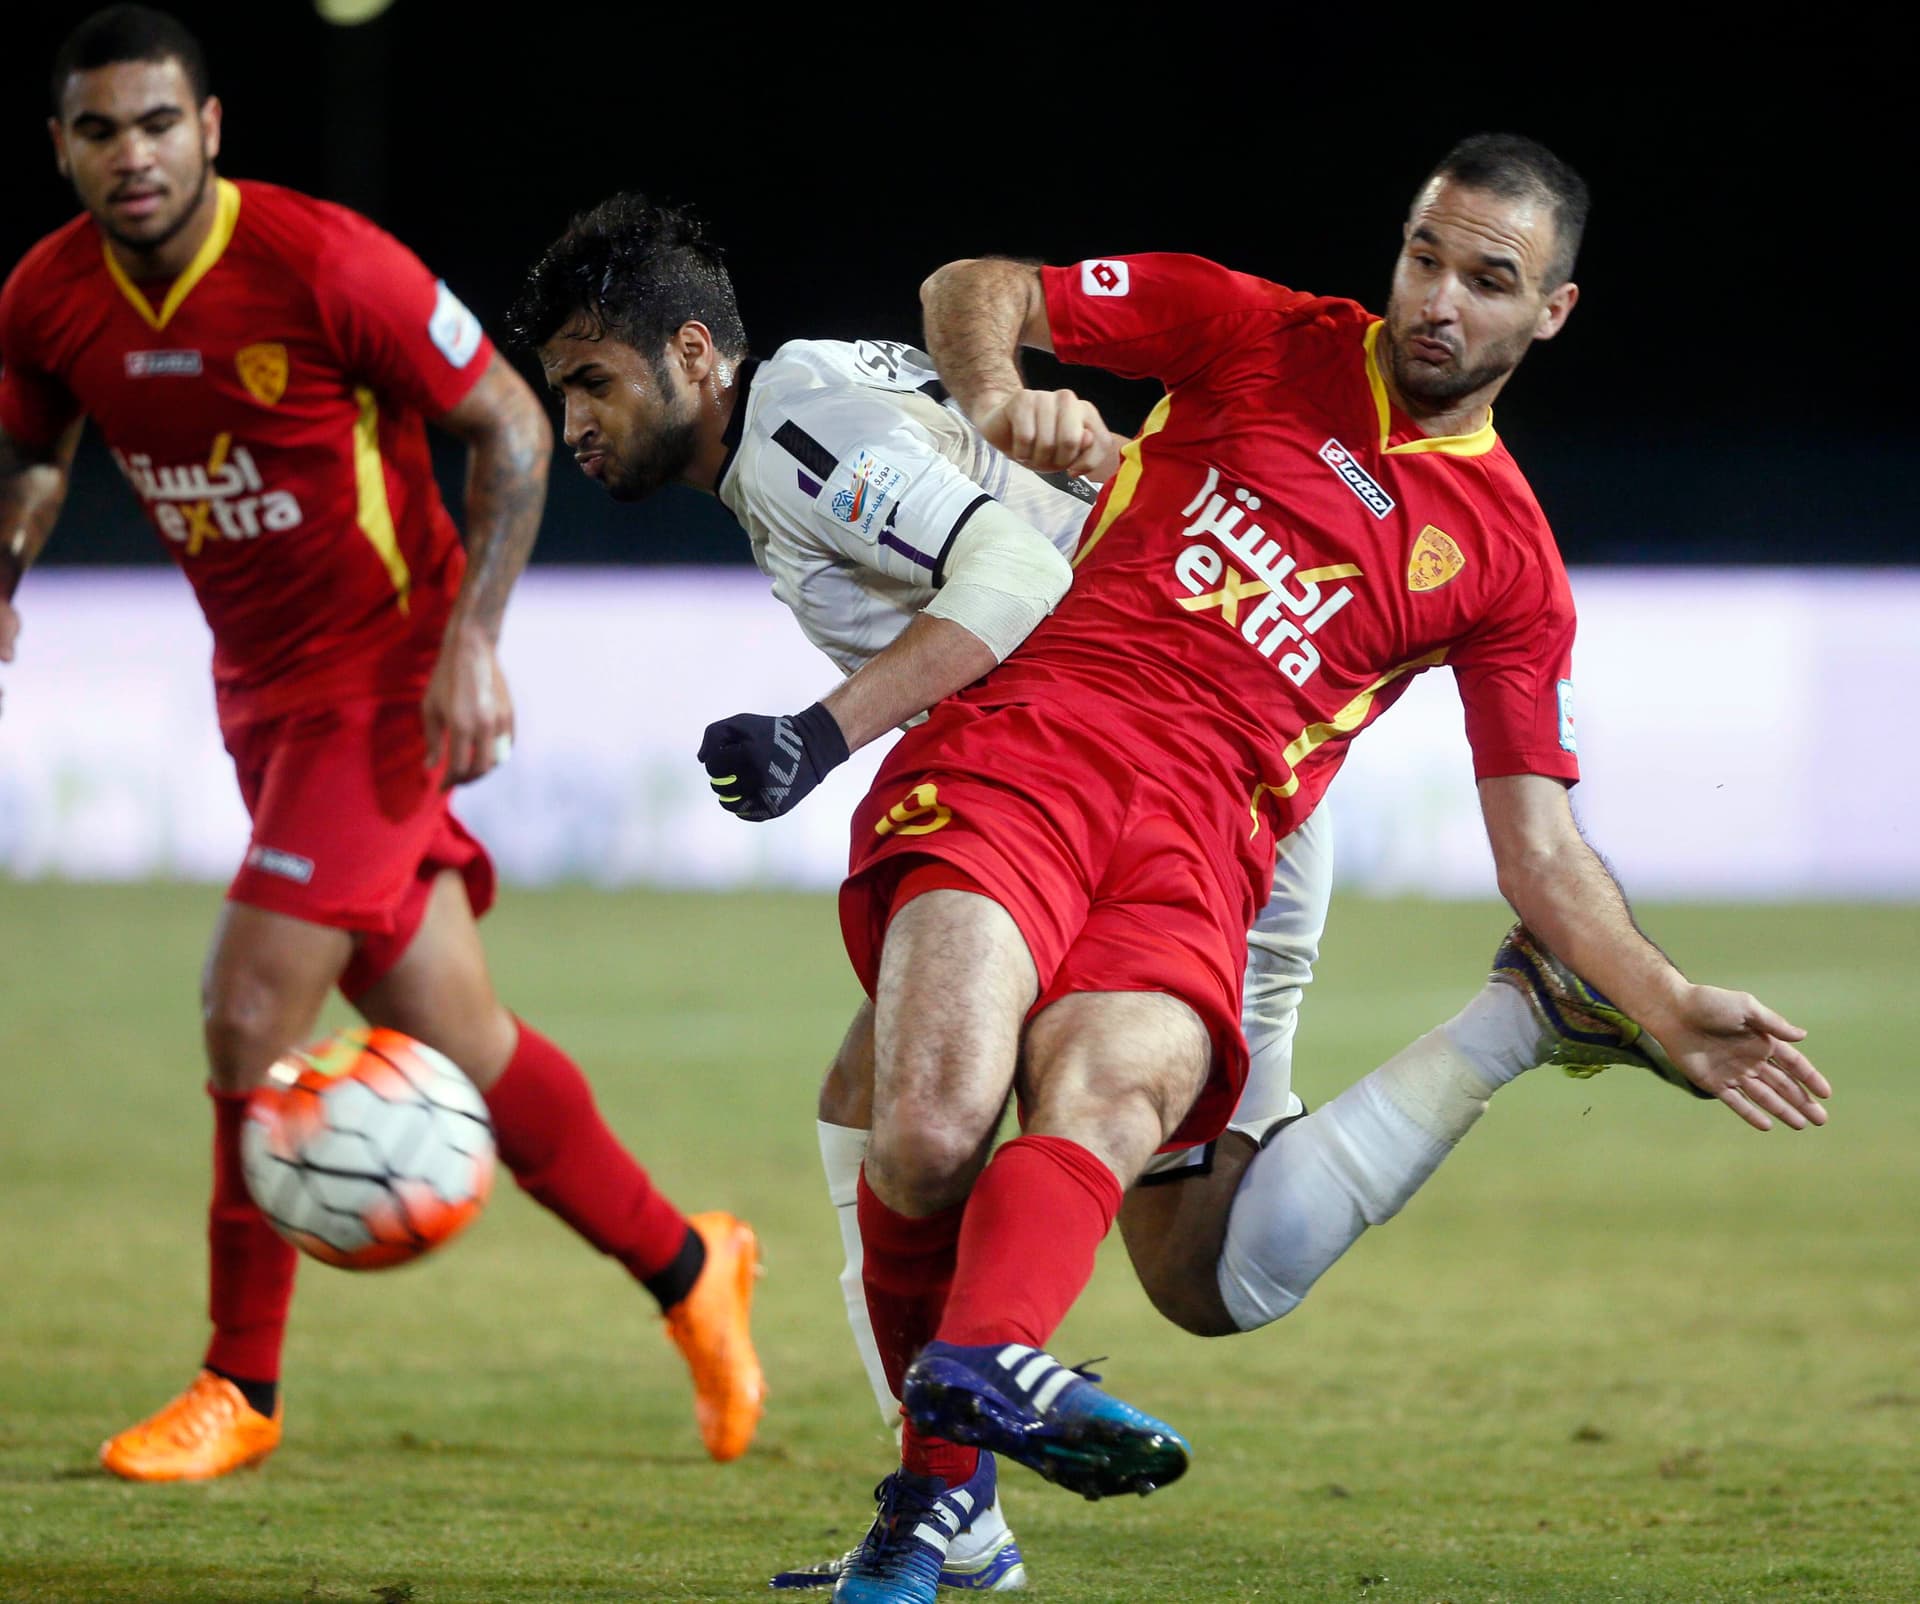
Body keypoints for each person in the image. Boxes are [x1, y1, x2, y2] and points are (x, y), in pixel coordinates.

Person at [506, 180, 1823, 1599]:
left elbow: (1540, 844)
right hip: (1040, 743)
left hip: (1225, 845)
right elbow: (976, 283)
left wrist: (1667, 998)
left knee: (1201, 1267)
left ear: (1552, 311)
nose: (1439, 298)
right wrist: (1007, 393)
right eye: (1424, 258)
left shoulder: (1506, 559)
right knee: (911, 1116)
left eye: (1489, 278)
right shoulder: (1261, 331)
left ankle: (1509, 1026)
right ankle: (954, 1482)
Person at [0, 6, 763, 1483]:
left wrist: (471, 644)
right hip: (260, 700)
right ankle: (692, 1268)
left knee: (244, 1010)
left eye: (158, 123)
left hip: (383, 682)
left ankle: (243, 1385)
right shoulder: (46, 297)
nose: (132, 155)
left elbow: (513, 430)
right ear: (63, 151)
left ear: (209, 128)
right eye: (100, 132)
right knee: (465, 1039)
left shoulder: (320, 260)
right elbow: (35, 450)